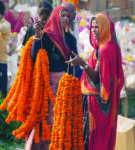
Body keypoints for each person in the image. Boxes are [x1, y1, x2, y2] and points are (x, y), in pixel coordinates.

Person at [66, 13, 124, 150]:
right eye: (92, 27)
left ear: (105, 27)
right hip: (105, 106)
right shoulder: (112, 46)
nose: (93, 30)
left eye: (97, 27)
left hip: (96, 106)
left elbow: (98, 78)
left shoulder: (103, 50)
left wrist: (83, 64)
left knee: (93, 142)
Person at [25, 6, 79, 150]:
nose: (66, 19)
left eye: (67, 16)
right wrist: (36, 37)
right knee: (47, 120)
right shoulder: (46, 37)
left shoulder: (70, 39)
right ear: (55, 17)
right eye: (63, 15)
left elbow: (75, 62)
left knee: (62, 121)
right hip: (48, 87)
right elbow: (34, 57)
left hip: (65, 86)